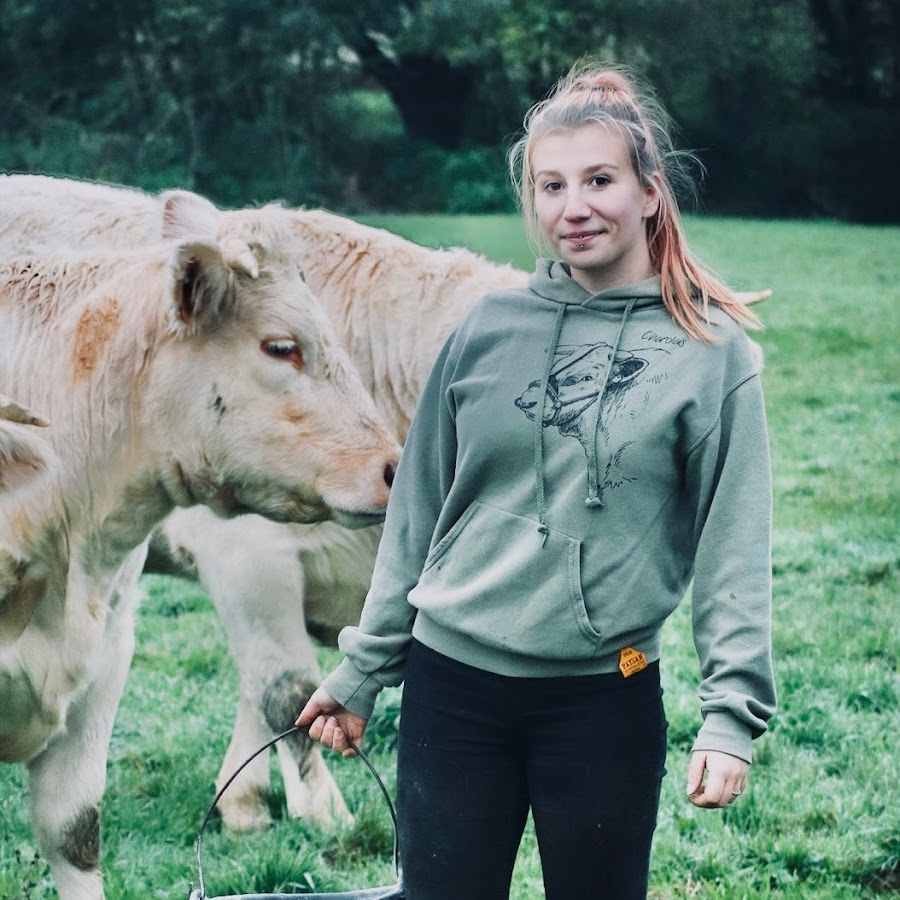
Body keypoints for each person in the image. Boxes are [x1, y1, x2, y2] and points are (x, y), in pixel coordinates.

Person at [296, 60, 776, 900]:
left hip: (602, 697)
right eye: (551, 186)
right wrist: (361, 672)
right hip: (452, 688)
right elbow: (416, 517)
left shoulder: (712, 355)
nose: (574, 206)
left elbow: (735, 545)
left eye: (599, 180)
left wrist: (729, 717)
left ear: (650, 192)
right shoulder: (485, 328)